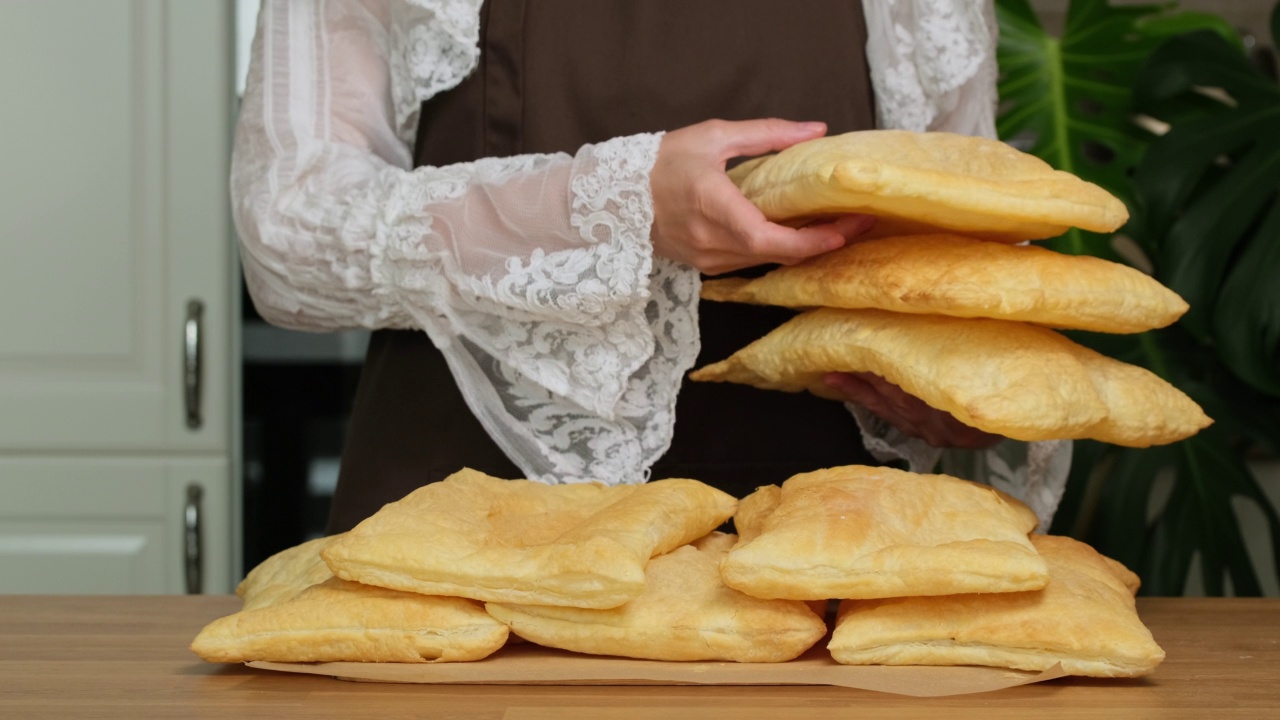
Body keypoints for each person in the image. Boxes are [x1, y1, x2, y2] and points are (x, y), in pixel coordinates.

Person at [233, 0, 1071, 535]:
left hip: (827, 545)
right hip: (468, 533)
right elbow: (286, 235)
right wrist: (617, 206)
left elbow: (962, 223)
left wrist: (965, 382)